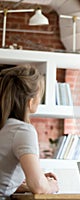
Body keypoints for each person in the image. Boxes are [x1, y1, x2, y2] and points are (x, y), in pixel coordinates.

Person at [0, 65, 59, 195]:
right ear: (31, 101)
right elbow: (39, 188)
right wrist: (50, 185)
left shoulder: (5, 126)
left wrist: (32, 181)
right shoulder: (22, 130)